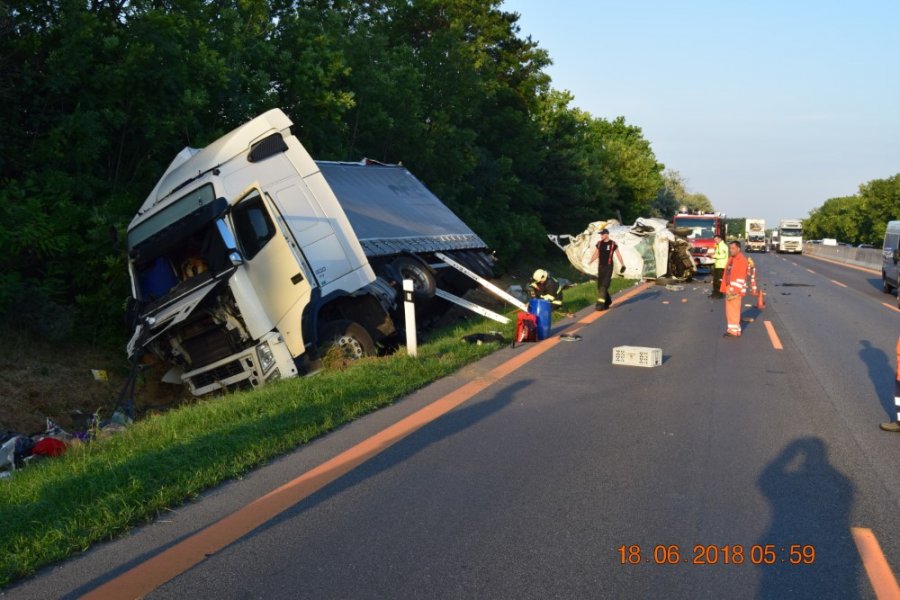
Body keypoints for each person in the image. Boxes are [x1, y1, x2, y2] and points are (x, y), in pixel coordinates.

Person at [589, 228, 625, 311]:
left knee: (604, 286)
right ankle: (608, 302)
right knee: (600, 286)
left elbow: (618, 255)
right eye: (600, 234)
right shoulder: (599, 244)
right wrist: (590, 261)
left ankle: (600, 305)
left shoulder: (612, 244)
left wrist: (622, 264)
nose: (601, 236)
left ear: (607, 234)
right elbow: (596, 254)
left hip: (608, 267)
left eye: (602, 234)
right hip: (601, 267)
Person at [720, 241, 749, 337]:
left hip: (734, 289)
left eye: (733, 248)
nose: (730, 250)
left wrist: (734, 290)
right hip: (730, 287)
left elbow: (741, 277)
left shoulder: (741, 260)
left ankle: (734, 331)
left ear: (738, 249)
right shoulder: (732, 259)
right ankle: (732, 329)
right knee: (730, 310)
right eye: (730, 248)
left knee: (734, 310)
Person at [710, 234, 728, 299]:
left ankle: (719, 295)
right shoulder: (718, 245)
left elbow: (723, 255)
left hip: (721, 266)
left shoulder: (723, 246)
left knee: (719, 281)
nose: (715, 241)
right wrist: (711, 254)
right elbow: (718, 254)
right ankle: (715, 293)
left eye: (716, 239)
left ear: (720, 239)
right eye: (714, 240)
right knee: (715, 281)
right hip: (718, 265)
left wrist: (714, 256)